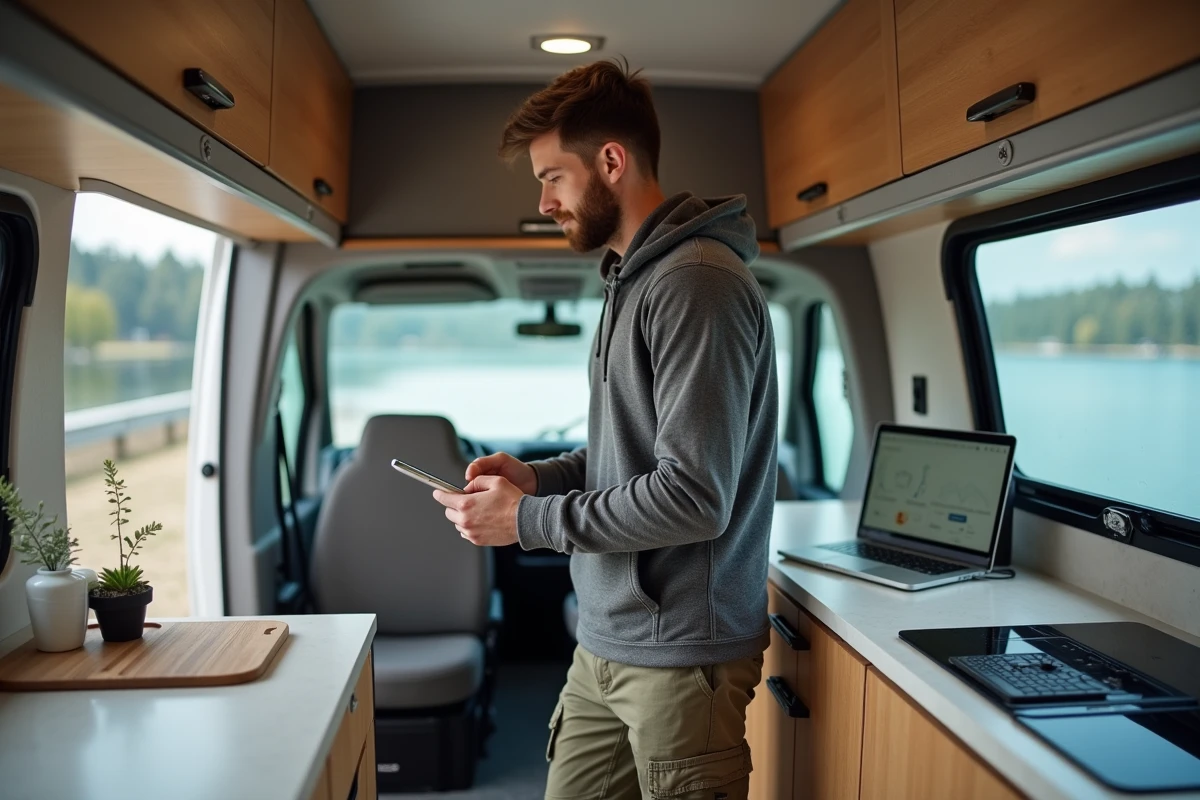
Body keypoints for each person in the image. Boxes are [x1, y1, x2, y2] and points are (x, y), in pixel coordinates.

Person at [430, 59, 778, 800]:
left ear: (611, 162)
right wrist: (540, 477)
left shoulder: (696, 284)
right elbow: (632, 451)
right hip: (606, 642)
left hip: (684, 658)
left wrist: (527, 520)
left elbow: (692, 496)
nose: (545, 200)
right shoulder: (633, 281)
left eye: (554, 177)